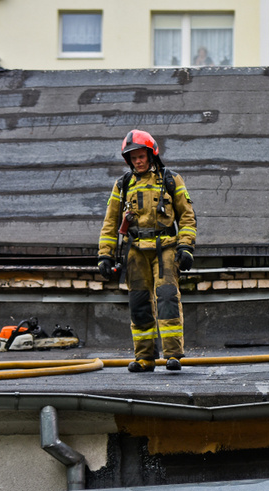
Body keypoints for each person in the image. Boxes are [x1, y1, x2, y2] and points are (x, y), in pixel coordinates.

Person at [97, 130, 197, 372]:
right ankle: (144, 358)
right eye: (133, 158)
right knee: (139, 303)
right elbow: (110, 222)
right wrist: (105, 254)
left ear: (151, 154)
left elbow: (187, 216)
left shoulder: (171, 179)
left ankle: (173, 354)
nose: (138, 161)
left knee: (166, 298)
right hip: (135, 252)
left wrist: (186, 246)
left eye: (141, 156)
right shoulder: (122, 185)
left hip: (166, 248)